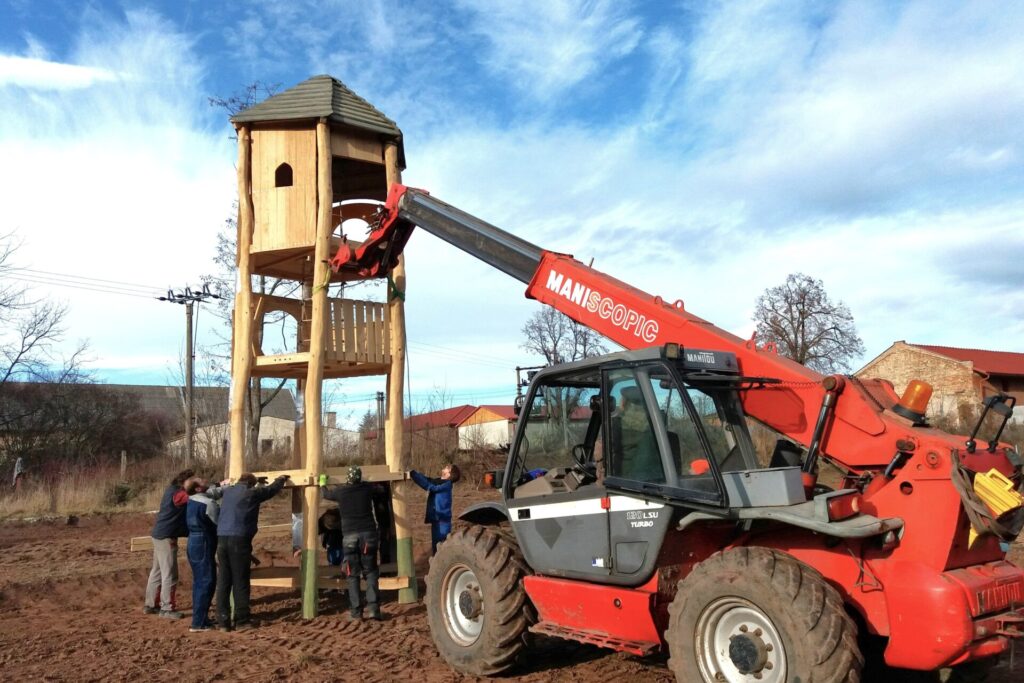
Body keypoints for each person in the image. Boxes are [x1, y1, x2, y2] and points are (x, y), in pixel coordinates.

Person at [215, 472, 289, 631]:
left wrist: (259, 483)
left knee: (224, 581)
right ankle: (242, 620)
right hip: (239, 540)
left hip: (222, 539)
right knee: (240, 581)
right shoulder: (252, 493)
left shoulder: (228, 492)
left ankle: (223, 621)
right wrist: (281, 479)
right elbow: (271, 491)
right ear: (251, 484)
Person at [322, 466, 382, 621]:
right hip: (368, 536)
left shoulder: (341, 492)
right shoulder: (367, 489)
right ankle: (374, 610)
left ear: (348, 478)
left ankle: (356, 612)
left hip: (349, 537)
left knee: (352, 575)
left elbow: (326, 494)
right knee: (370, 572)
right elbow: (380, 489)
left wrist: (322, 483)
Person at [144, 468, 194, 619]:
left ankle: (150, 605)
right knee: (170, 574)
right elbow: (193, 496)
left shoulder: (171, 490)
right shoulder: (178, 494)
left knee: (157, 572)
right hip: (167, 537)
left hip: (159, 535)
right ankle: (167, 608)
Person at [185, 478, 221, 633]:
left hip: (193, 541)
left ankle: (201, 618)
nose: (206, 482)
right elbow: (218, 524)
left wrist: (222, 485)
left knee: (199, 581)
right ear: (198, 489)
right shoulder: (208, 504)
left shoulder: (192, 500)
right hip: (204, 541)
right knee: (207, 580)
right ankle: (199, 623)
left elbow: (212, 492)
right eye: (202, 482)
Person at [410, 464, 461, 555]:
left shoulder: (446, 484)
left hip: (442, 521)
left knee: (441, 548)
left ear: (449, 474)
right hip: (437, 519)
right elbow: (429, 480)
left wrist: (413, 474)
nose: (444, 467)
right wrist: (415, 473)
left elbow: (430, 486)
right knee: (436, 547)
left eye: (447, 468)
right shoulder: (439, 481)